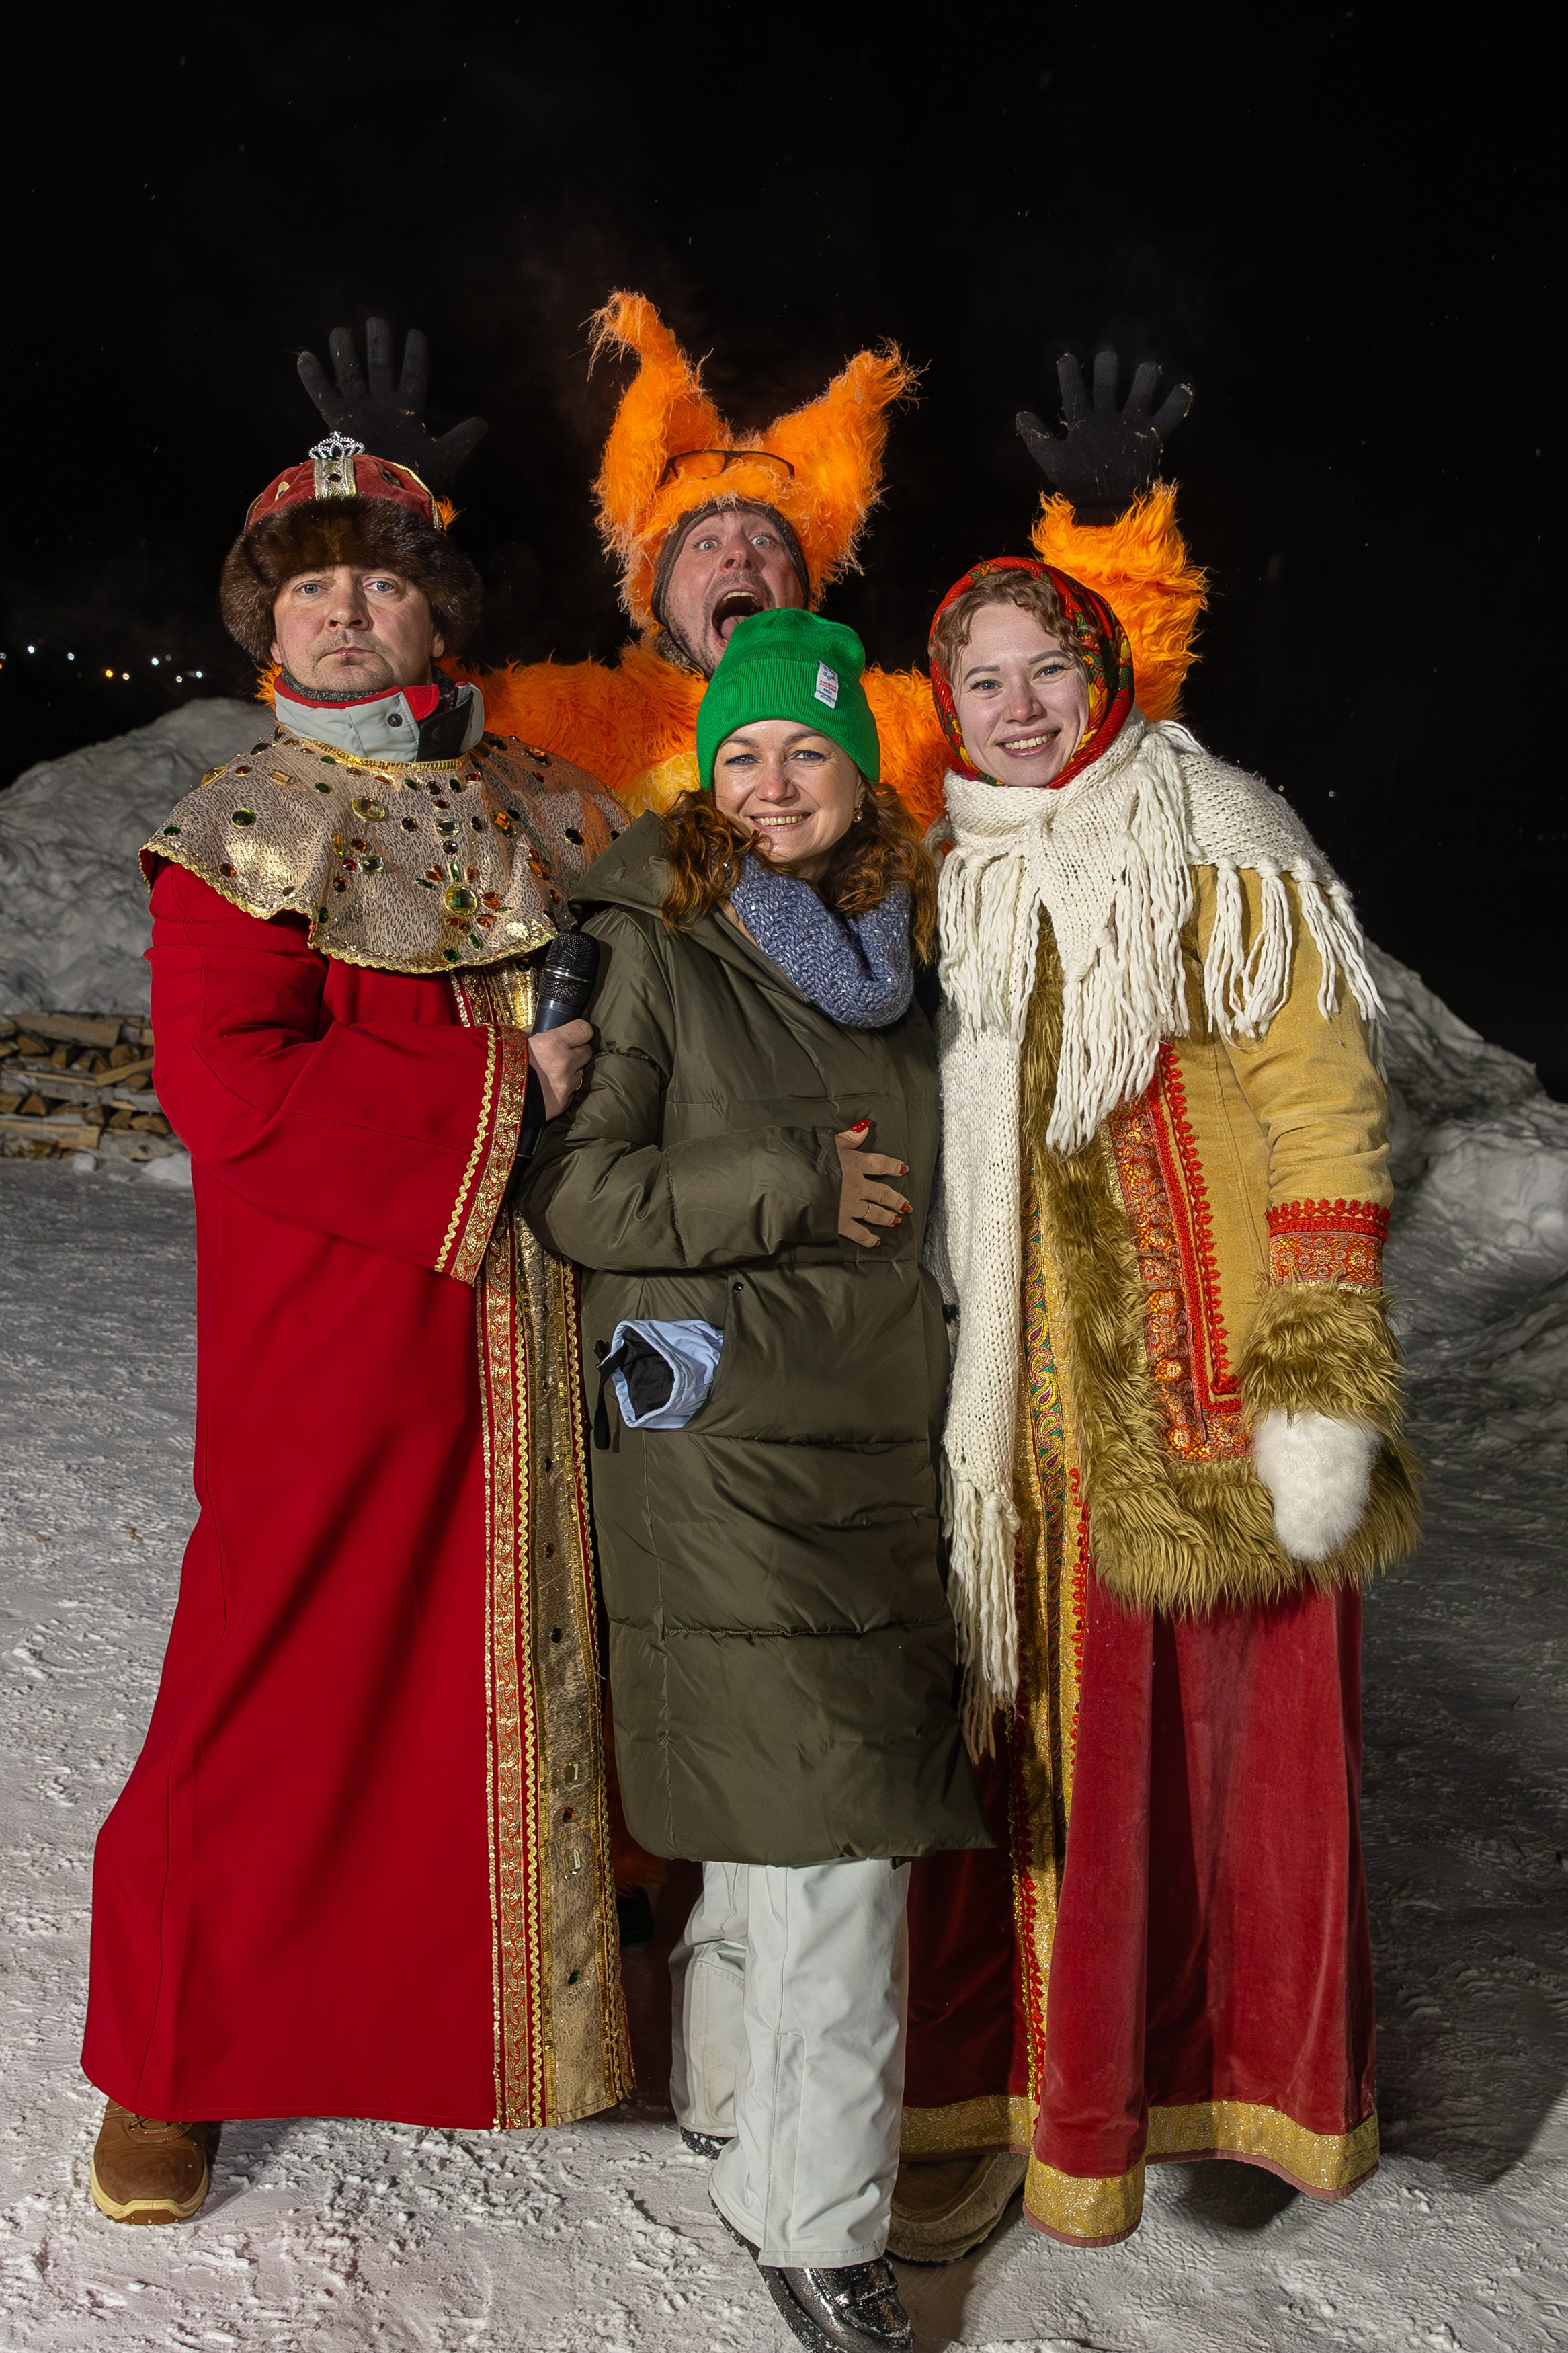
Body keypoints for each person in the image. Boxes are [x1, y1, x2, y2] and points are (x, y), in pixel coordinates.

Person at [82, 430, 629, 2225]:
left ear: (436, 611)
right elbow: (224, 1082)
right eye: (308, 582)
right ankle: (165, 2057)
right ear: (266, 618)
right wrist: (496, 1082)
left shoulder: (553, 795)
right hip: (343, 1314)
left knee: (532, 1652)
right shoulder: (248, 815)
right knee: (274, 1672)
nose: (339, 611)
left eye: (376, 577)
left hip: (548, 1314)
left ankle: (508, 2017)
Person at [891, 557, 1421, 2256]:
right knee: (1012, 1767)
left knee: (1197, 1784)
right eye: (987, 682)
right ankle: (1012, 2098)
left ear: (1103, 668)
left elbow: (1326, 1104)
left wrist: (1319, 1376)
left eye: (1050, 669)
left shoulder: (1221, 836)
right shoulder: (947, 871)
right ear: (946, 701)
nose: (1023, 706)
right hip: (1004, 1411)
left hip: (1199, 1386)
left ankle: (1192, 2087)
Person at [520, 606, 990, 2353]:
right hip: (718, 1442)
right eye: (739, 752)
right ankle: (820, 2216)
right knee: (843, 1837)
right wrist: (791, 1184)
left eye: (803, 748)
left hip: (875, 1430)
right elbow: (582, 1197)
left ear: (857, 769)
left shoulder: (905, 942)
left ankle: (732, 2106)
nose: (771, 780)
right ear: (701, 771)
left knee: (786, 1831)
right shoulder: (655, 935)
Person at [300, 303, 1208, 828]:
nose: (737, 550)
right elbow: (373, 715)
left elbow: (1083, 724)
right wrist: (377, 515)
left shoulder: (890, 728)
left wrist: (1105, 526)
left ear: (802, 587)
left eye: (767, 542)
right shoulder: (575, 723)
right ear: (653, 597)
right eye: (703, 544)